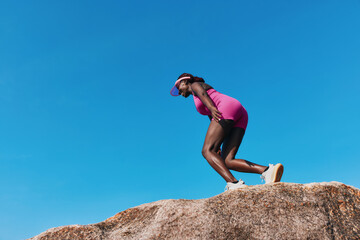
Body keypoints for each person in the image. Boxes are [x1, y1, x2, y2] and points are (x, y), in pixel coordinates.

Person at [170, 73, 284, 191]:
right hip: (239, 112)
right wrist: (218, 143)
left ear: (184, 82)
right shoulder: (197, 95)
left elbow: (204, 95)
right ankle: (267, 171)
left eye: (179, 88)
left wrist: (211, 108)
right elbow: (211, 116)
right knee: (228, 161)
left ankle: (233, 183)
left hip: (224, 109)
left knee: (207, 151)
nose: (179, 92)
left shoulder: (194, 85)